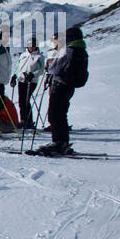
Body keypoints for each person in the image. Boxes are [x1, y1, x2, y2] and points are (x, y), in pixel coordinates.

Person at [35, 26, 88, 155]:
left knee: (54, 114)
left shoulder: (68, 50)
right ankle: (62, 141)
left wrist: (49, 65)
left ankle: (58, 142)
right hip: (70, 86)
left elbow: (55, 69)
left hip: (60, 85)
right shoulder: (81, 50)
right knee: (61, 114)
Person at [15, 37, 45, 129]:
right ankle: (23, 120)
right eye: (30, 45)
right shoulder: (23, 55)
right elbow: (18, 67)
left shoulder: (39, 57)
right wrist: (14, 75)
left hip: (31, 81)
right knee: (21, 100)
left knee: (26, 100)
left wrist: (32, 75)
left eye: (33, 45)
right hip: (21, 80)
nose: (31, 47)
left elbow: (41, 70)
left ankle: (28, 121)